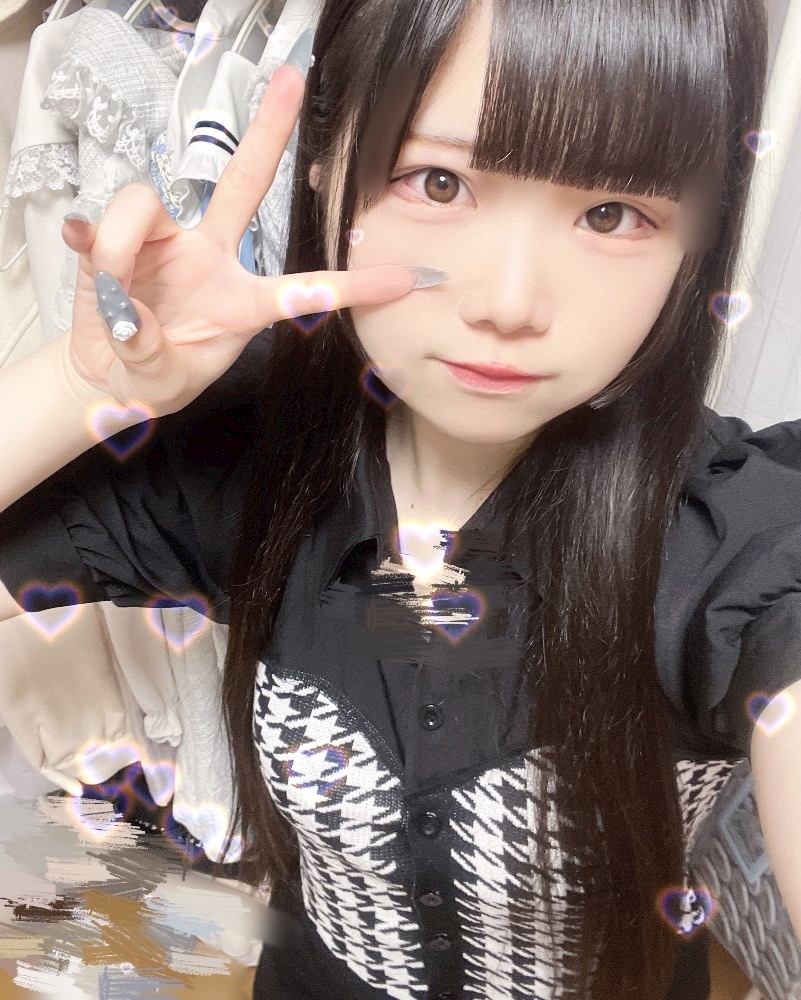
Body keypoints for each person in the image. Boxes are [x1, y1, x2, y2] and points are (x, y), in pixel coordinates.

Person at [1, 0, 800, 997]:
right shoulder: (251, 455)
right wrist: (83, 387)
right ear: (325, 163)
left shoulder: (738, 541)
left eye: (612, 213)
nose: (508, 303)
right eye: (439, 181)